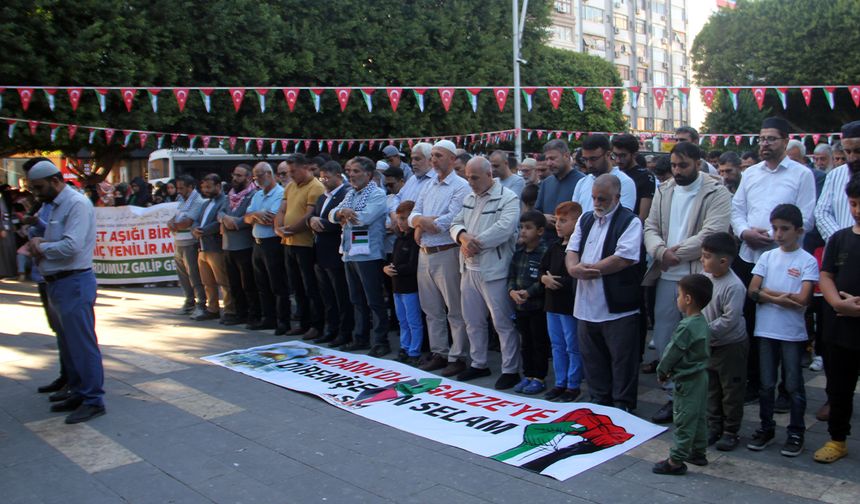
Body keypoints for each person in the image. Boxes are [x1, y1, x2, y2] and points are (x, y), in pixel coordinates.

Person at [642, 141, 732, 424]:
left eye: (683, 165)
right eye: (674, 166)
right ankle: (673, 398)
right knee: (668, 340)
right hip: (667, 275)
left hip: (699, 277)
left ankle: (704, 404)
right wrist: (659, 252)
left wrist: (673, 254)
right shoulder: (664, 189)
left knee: (699, 342)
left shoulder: (717, 192)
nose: (677, 171)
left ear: (698, 162)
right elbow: (650, 226)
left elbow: (712, 233)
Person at [732, 117, 817, 402]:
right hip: (750, 255)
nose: (764, 144)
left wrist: (772, 234)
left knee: (784, 320)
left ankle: (786, 388)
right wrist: (745, 232)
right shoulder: (751, 173)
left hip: (785, 258)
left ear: (785, 140)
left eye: (771, 139)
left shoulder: (801, 174)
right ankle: (755, 382)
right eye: (761, 138)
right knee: (751, 319)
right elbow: (737, 209)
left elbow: (807, 216)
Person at [25, 159, 105, 424]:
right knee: (68, 343)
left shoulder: (77, 204)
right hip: (58, 281)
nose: (37, 193)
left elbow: (71, 246)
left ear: (56, 180)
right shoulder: (55, 204)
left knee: (82, 344)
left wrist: (40, 247)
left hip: (74, 281)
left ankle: (93, 399)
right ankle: (78, 391)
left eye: (39, 187)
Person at [566, 174, 643, 412]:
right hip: (586, 303)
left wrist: (589, 270)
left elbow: (624, 258)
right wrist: (572, 268)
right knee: (592, 357)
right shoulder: (585, 219)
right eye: (594, 198)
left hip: (616, 305)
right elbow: (572, 248)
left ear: (617, 198)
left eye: (603, 199)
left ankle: (623, 404)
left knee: (622, 359)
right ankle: (600, 400)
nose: (597, 203)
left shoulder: (630, 221)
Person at [746, 204, 819, 457]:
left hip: (791, 332)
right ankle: (766, 428)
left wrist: (767, 294)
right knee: (766, 384)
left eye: (784, 229)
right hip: (766, 330)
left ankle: (796, 431)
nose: (778, 234)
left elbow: (802, 298)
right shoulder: (767, 257)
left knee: (793, 385)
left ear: (798, 231)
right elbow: (753, 291)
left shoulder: (807, 261)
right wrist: (778, 298)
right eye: (775, 228)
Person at [450, 156, 521, 388]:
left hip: (494, 270)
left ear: (489, 174)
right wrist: (462, 236)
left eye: (474, 177)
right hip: (469, 269)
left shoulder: (508, 198)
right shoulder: (469, 197)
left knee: (502, 322)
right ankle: (479, 363)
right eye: (468, 177)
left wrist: (473, 242)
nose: (469, 181)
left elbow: (505, 228)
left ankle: (510, 369)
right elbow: (455, 222)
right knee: (472, 320)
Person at [409, 140, 470, 376]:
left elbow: (448, 221)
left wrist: (421, 223)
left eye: (439, 155)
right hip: (425, 253)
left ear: (453, 159)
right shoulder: (429, 184)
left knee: (454, 309)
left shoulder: (461, 186)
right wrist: (420, 221)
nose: (434, 160)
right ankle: (439, 352)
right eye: (432, 155)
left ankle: (458, 355)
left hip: (447, 252)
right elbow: (414, 213)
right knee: (431, 309)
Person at [813, 174, 860, 464]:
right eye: (854, 204)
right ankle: (837, 439)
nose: (857, 210)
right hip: (840, 326)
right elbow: (827, 274)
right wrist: (837, 302)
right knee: (839, 388)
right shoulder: (840, 238)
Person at [652, 274, 713, 475]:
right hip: (701, 376)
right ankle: (698, 451)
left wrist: (662, 371)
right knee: (699, 416)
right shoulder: (701, 321)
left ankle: (675, 460)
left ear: (688, 299)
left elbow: (672, 352)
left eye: (678, 295)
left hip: (687, 379)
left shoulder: (686, 326)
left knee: (684, 418)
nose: (676, 299)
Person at [330, 156, 390, 356]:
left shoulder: (378, 194)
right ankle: (361, 337)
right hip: (349, 252)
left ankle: (381, 341)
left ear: (369, 174)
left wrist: (344, 214)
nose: (352, 175)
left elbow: (363, 219)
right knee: (356, 299)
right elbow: (331, 215)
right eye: (350, 171)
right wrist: (341, 213)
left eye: (356, 171)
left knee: (374, 299)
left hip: (369, 254)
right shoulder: (350, 194)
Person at [700, 232, 748, 452]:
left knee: (731, 389)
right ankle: (713, 425)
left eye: (707, 256)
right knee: (711, 387)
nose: (702, 260)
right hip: (710, 344)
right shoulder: (706, 277)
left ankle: (730, 431)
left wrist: (703, 330)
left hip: (730, 346)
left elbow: (730, 319)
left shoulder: (734, 286)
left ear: (723, 261)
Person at [276, 153, 326, 339]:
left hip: (305, 244)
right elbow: (282, 209)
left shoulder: (316, 187)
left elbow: (309, 216)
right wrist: (278, 228)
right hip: (288, 242)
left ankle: (316, 324)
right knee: (296, 286)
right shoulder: (290, 186)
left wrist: (289, 229)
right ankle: (303, 322)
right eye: (289, 172)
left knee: (310, 286)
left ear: (306, 167)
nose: (291, 175)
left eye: (294, 171)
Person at [541, 201, 583, 402]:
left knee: (572, 345)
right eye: (557, 220)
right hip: (552, 304)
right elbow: (542, 269)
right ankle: (560, 382)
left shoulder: (579, 249)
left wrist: (560, 282)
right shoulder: (554, 247)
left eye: (564, 221)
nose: (558, 225)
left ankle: (573, 384)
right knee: (557, 344)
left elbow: (577, 276)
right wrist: (544, 279)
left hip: (568, 304)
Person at [308, 161, 353, 346]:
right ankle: (331, 329)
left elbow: (341, 222)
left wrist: (321, 224)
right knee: (327, 296)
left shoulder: (345, 194)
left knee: (341, 296)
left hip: (335, 252)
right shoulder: (321, 197)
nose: (324, 181)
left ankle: (344, 332)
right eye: (321, 177)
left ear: (338, 176)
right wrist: (311, 220)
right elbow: (314, 217)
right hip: (320, 253)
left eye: (327, 177)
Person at [244, 162, 289, 332]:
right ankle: (268, 318)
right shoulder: (257, 195)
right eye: (255, 177)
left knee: (277, 283)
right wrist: (256, 215)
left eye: (260, 176)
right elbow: (247, 218)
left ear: (269, 174)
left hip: (273, 243)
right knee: (262, 284)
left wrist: (255, 215)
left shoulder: (280, 193)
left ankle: (282, 320)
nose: (257, 180)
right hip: (258, 243)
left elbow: (271, 218)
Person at [508, 211, 549, 395]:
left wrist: (529, 292)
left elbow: (543, 280)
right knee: (525, 342)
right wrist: (512, 291)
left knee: (538, 341)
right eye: (521, 227)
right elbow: (512, 275)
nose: (523, 231)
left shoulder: (545, 252)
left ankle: (539, 377)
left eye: (528, 228)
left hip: (537, 307)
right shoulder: (518, 252)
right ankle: (528, 375)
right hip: (520, 306)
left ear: (540, 231)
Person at [217, 164, 258, 326]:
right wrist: (225, 219)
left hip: (244, 245)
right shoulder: (230, 195)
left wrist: (237, 222)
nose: (235, 178)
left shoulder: (253, 195)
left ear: (248, 178)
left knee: (248, 283)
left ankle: (252, 314)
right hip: (228, 245)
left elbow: (249, 216)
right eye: (234, 175)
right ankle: (239, 313)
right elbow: (220, 212)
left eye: (239, 176)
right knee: (233, 283)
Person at [386, 201, 422, 365]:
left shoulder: (414, 240)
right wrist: (386, 268)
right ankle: (405, 347)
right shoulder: (398, 239)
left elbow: (413, 265)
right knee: (402, 320)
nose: (400, 222)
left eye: (403, 218)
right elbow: (394, 261)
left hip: (410, 287)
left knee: (413, 320)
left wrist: (396, 269)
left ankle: (415, 351)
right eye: (398, 218)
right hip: (397, 287)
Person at [191, 174, 232, 321]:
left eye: (209, 187)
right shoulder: (206, 203)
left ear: (218, 186)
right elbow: (196, 220)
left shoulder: (225, 201)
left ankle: (229, 310)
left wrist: (202, 231)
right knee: (207, 282)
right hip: (202, 247)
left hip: (216, 247)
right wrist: (195, 228)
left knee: (223, 281)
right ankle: (212, 308)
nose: (205, 190)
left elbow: (219, 222)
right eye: (203, 187)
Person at [168, 174, 208, 315]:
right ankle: (189, 300)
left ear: (191, 187)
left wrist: (175, 225)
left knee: (194, 274)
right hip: (179, 241)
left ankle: (201, 303)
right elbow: (174, 219)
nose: (179, 191)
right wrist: (174, 224)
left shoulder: (198, 201)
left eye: (182, 188)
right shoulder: (181, 200)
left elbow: (188, 222)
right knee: (183, 276)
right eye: (177, 188)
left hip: (190, 242)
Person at [816, 121, 860, 242]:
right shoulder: (835, 175)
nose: (853, 157)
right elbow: (822, 213)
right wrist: (841, 239)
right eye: (848, 151)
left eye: (858, 151)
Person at [571, 134, 636, 214]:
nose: (589, 164)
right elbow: (574, 215)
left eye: (593, 159)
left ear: (608, 155)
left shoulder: (624, 182)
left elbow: (622, 219)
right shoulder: (582, 182)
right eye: (585, 159)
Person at [535, 140, 585, 242]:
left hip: (571, 244)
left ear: (566, 156)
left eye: (552, 158)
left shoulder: (583, 182)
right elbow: (536, 211)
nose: (549, 163)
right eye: (547, 159)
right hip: (547, 245)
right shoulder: (546, 183)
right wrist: (543, 218)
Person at [612, 133, 656, 220]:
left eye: (623, 156)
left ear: (634, 154)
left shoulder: (646, 176)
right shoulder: (613, 173)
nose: (618, 160)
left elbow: (643, 216)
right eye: (615, 155)